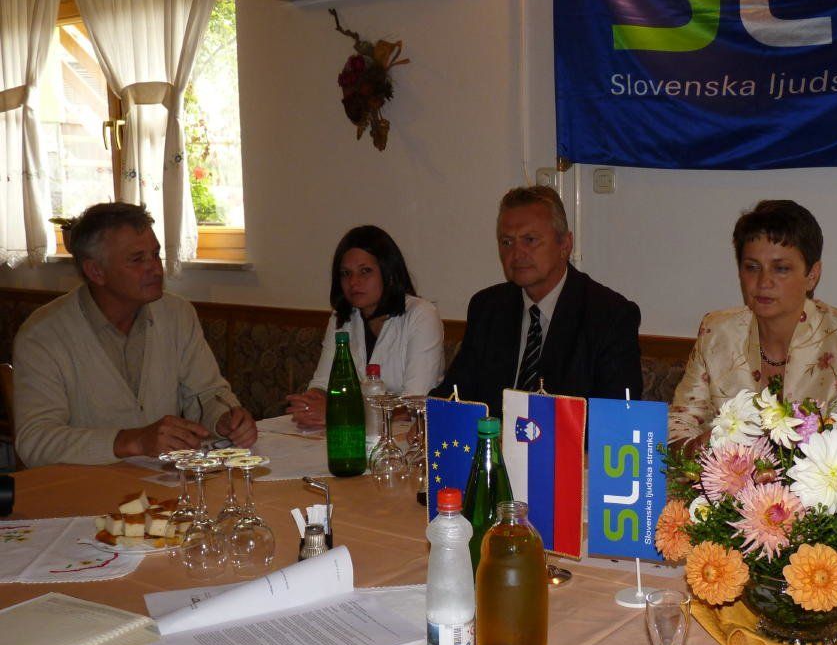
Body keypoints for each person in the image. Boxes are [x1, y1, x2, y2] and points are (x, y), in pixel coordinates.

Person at [13, 202, 255, 467]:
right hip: (84, 485)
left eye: (156, 254)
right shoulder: (43, 334)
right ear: (96, 271)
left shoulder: (176, 314)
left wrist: (224, 419)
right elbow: (35, 440)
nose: (156, 269)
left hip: (163, 481)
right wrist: (132, 441)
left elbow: (208, 393)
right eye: (137, 259)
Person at [669, 200, 837, 447]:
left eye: (781, 269)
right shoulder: (717, 332)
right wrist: (715, 444)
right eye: (752, 267)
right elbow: (677, 427)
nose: (764, 282)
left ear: (812, 275)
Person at [430, 185, 642, 415]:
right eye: (507, 242)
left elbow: (618, 417)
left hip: (570, 439)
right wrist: (424, 414)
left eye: (530, 240)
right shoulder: (487, 308)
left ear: (565, 245)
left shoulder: (609, 316)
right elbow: (453, 395)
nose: (516, 254)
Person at [286, 226, 443, 428]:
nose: (353, 282)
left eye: (365, 271)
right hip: (357, 430)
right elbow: (324, 383)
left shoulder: (421, 314)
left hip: (407, 434)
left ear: (388, 273)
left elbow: (413, 405)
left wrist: (338, 411)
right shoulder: (341, 317)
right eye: (346, 273)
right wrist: (309, 403)